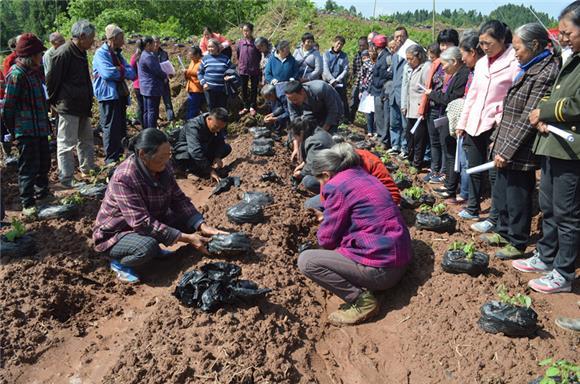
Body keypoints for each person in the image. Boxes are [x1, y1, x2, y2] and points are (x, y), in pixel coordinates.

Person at [297, 143, 412, 326]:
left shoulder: (336, 186)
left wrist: (324, 222)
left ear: (326, 174)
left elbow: (326, 239)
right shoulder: (362, 175)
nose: (321, 185)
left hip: (383, 271)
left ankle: (362, 302)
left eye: (320, 180)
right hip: (400, 257)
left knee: (307, 261)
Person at [93, 128, 226, 283]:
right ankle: (118, 262)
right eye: (162, 157)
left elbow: (178, 198)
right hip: (117, 232)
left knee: (191, 223)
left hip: (151, 218)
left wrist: (200, 224)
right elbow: (141, 222)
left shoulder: (163, 167)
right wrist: (187, 238)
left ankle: (155, 248)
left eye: (168, 155)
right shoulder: (124, 178)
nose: (167, 160)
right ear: (143, 154)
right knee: (146, 248)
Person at [512, 1, 580, 294]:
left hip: (571, 149)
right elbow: (555, 96)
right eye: (561, 32)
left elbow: (575, 104)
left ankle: (563, 273)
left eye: (567, 32)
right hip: (553, 143)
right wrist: (543, 117)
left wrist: (547, 113)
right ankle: (546, 256)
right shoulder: (571, 58)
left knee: (567, 213)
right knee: (549, 207)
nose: (562, 38)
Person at [479, 24, 561, 261]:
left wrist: (506, 150)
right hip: (507, 140)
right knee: (503, 189)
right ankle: (503, 232)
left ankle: (517, 240)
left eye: (517, 48)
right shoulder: (530, 66)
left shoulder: (546, 72)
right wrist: (499, 145)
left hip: (520, 146)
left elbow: (528, 117)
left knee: (518, 194)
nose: (515, 53)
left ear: (534, 45)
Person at [456, 21, 519, 221]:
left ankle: (495, 217)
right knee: (473, 167)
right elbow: (472, 96)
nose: (484, 48)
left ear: (502, 40)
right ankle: (473, 207)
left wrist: (500, 117)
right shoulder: (482, 62)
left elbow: (513, 97)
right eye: (481, 44)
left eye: (488, 43)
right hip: (475, 122)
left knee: (494, 174)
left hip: (496, 125)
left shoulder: (514, 62)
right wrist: (462, 123)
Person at [1, 33, 51, 219]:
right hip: (26, 130)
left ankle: (43, 194)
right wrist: (13, 131)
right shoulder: (16, 75)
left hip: (40, 127)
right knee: (28, 166)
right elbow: (9, 107)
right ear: (30, 56)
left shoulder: (34, 74)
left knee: (44, 162)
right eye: (39, 54)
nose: (41, 57)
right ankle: (28, 203)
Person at [46, 20, 96, 188]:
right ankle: (66, 177)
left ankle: (88, 169)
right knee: (67, 143)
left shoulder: (81, 51)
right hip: (68, 106)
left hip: (82, 105)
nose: (93, 41)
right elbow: (52, 80)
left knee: (87, 140)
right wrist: (54, 102)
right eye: (91, 38)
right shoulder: (64, 53)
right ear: (81, 37)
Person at [425, 47, 470, 199]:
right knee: (448, 153)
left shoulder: (462, 75)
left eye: (444, 64)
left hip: (453, 119)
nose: (442, 68)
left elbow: (451, 98)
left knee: (451, 154)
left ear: (454, 62)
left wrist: (433, 95)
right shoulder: (456, 74)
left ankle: (451, 188)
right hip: (447, 118)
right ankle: (449, 185)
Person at [418, 29, 460, 184]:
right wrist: (423, 107)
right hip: (433, 107)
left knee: (445, 143)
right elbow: (429, 85)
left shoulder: (457, 65)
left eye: (447, 44)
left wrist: (432, 95)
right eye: (441, 44)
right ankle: (434, 169)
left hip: (446, 109)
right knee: (434, 140)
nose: (443, 47)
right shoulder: (437, 64)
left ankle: (443, 172)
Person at [93, 24, 136, 164]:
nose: (123, 40)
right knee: (110, 128)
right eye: (121, 37)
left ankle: (119, 156)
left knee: (120, 127)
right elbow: (107, 73)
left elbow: (132, 73)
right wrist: (121, 71)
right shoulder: (101, 54)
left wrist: (120, 70)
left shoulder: (118, 54)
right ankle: (111, 159)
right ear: (113, 38)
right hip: (108, 96)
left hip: (120, 95)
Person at [172, 108, 231, 183]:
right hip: (187, 153)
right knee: (193, 151)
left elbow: (220, 142)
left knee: (226, 148)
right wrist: (210, 170)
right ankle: (187, 171)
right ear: (209, 119)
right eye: (216, 127)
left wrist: (217, 156)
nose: (218, 130)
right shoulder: (193, 126)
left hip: (203, 149)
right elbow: (195, 151)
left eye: (220, 128)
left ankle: (201, 168)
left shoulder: (218, 124)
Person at [402, 44, 431, 170]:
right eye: (407, 59)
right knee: (409, 136)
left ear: (419, 56)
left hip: (420, 109)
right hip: (410, 107)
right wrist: (404, 105)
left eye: (411, 59)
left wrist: (423, 108)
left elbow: (427, 88)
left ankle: (417, 163)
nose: (409, 61)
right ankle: (410, 157)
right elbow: (405, 87)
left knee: (419, 138)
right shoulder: (408, 68)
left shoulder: (425, 68)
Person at [291, 116, 334, 194]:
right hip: (330, 165)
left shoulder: (314, 142)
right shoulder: (318, 131)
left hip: (334, 175)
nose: (296, 139)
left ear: (301, 133)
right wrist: (303, 164)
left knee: (308, 181)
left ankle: (329, 193)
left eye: (295, 136)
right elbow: (315, 156)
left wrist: (301, 173)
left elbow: (313, 165)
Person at [368, 34, 393, 149]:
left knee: (383, 116)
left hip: (382, 90)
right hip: (377, 89)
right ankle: (380, 136)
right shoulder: (381, 56)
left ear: (375, 46)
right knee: (379, 115)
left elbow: (390, 74)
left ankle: (384, 140)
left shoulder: (387, 57)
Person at [138, 36, 168, 129]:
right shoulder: (148, 56)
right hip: (152, 87)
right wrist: (165, 76)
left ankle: (147, 130)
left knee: (147, 111)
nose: (154, 45)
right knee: (152, 111)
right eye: (152, 44)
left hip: (146, 87)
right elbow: (157, 71)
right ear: (148, 44)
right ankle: (151, 131)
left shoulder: (143, 54)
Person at [389, 26, 410, 158]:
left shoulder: (410, 54)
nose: (398, 39)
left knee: (405, 124)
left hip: (404, 95)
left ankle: (405, 147)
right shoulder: (395, 55)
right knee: (394, 122)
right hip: (394, 94)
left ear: (406, 37)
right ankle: (395, 145)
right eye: (396, 37)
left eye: (401, 36)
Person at [198, 38, 234, 110]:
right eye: (208, 47)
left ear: (217, 47)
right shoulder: (205, 59)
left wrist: (229, 77)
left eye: (212, 47)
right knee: (211, 109)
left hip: (222, 90)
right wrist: (204, 83)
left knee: (222, 109)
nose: (210, 49)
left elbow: (233, 71)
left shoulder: (225, 59)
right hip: (209, 89)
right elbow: (199, 72)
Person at [322, 35, 349, 122]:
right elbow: (325, 69)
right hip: (328, 82)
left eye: (341, 45)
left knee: (342, 100)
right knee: (327, 100)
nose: (339, 46)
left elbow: (345, 69)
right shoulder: (326, 54)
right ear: (333, 43)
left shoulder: (344, 56)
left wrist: (337, 80)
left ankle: (344, 118)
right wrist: (332, 80)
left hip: (340, 82)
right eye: (338, 43)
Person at [236, 23, 261, 116]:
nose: (245, 33)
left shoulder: (256, 43)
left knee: (254, 88)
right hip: (243, 69)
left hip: (254, 69)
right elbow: (239, 55)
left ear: (251, 31)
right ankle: (246, 106)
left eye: (247, 31)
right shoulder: (240, 43)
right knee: (244, 88)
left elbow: (259, 55)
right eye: (244, 31)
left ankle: (253, 106)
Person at [153, 37, 175, 122]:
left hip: (165, 81)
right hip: (154, 82)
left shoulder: (164, 53)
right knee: (155, 102)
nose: (156, 44)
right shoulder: (149, 54)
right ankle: (155, 119)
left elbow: (167, 65)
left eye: (158, 42)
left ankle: (171, 119)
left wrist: (169, 73)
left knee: (167, 101)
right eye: (154, 42)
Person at [349, 36, 369, 122]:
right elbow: (354, 69)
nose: (361, 47)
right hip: (357, 81)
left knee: (367, 104)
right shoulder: (357, 55)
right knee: (353, 100)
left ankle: (369, 125)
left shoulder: (370, 55)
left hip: (367, 82)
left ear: (367, 45)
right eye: (360, 45)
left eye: (363, 45)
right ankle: (350, 119)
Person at [358, 49, 375, 136]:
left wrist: (361, 90)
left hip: (367, 90)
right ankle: (373, 130)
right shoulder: (375, 63)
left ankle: (370, 131)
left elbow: (362, 78)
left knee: (368, 111)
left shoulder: (365, 65)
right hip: (375, 89)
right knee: (374, 111)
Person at [184, 46, 204, 120]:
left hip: (197, 90)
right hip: (191, 88)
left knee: (193, 109)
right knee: (190, 108)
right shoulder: (192, 62)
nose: (191, 59)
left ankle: (190, 124)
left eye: (192, 57)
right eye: (190, 57)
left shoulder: (202, 62)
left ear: (198, 55)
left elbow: (200, 73)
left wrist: (188, 72)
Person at [129, 40, 144, 126]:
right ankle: (143, 123)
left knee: (140, 105)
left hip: (137, 84)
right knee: (145, 106)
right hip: (144, 84)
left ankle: (141, 121)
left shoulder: (134, 57)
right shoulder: (146, 56)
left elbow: (131, 70)